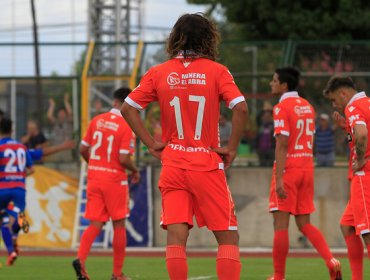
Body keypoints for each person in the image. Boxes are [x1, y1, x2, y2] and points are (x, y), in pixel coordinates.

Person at [121, 13, 247, 280]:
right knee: (227, 237)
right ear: (208, 38)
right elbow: (241, 108)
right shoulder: (217, 71)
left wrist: (151, 143)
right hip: (206, 162)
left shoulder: (159, 72)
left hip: (174, 163)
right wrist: (232, 148)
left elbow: (128, 108)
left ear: (176, 37)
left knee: (176, 237)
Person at [268, 67, 341, 280]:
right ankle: (331, 261)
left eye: (274, 80)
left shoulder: (281, 107)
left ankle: (278, 276)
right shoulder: (308, 107)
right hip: (307, 168)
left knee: (280, 224)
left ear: (284, 85)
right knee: (304, 223)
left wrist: (280, 177)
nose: (271, 84)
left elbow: (282, 143)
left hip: (289, 169)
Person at [72, 87, 140, 280]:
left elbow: (83, 148)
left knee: (95, 223)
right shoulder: (127, 126)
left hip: (94, 177)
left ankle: (81, 260)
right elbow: (124, 157)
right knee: (119, 224)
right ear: (129, 104)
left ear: (114, 101)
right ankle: (117, 274)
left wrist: (93, 164)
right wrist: (134, 170)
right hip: (114, 179)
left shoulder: (97, 120)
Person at [323, 76, 370, 280]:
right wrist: (345, 127)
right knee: (347, 225)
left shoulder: (353, 108)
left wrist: (360, 159)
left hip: (364, 175)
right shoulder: (367, 103)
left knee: (367, 232)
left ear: (343, 93)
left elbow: (361, 135)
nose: (335, 104)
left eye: (334, 100)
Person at [0, 118, 34, 266]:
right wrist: (19, 176)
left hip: (2, 189)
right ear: (12, 130)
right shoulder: (21, 147)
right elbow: (31, 169)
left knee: (3, 220)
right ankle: (16, 232)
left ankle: (11, 250)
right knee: (17, 214)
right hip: (19, 189)